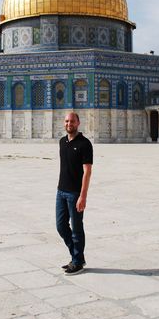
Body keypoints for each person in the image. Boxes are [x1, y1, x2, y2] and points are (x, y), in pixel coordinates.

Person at [56, 112, 93, 276]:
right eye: (66, 121)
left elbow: (87, 171)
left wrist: (82, 196)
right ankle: (77, 256)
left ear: (78, 123)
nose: (69, 124)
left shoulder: (85, 144)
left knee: (77, 228)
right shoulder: (62, 142)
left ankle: (77, 261)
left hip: (75, 193)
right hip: (61, 191)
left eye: (72, 121)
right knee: (61, 225)